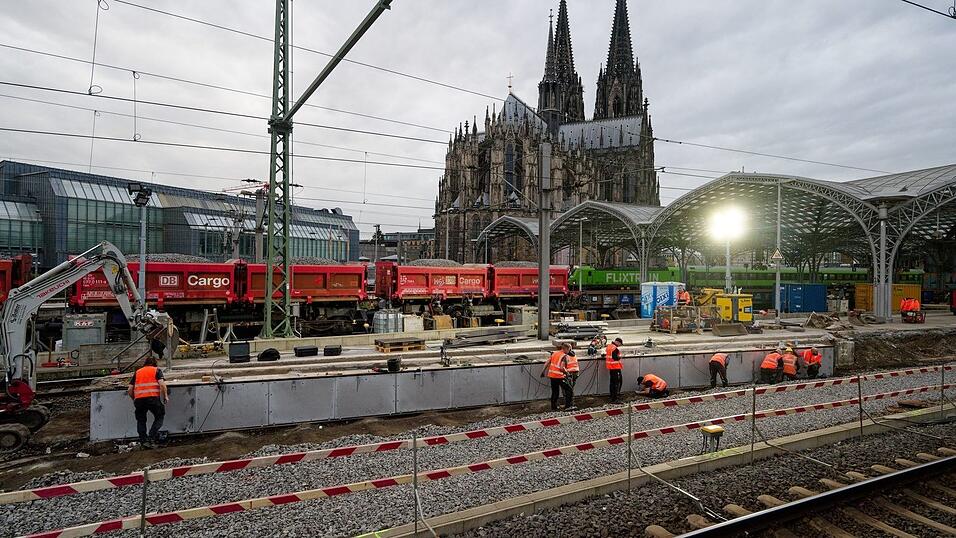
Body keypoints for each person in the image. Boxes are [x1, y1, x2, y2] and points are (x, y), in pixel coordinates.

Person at [127, 356, 169, 448]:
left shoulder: (138, 372)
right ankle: (151, 437)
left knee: (141, 420)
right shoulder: (156, 370)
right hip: (153, 398)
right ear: (155, 363)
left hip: (139, 400)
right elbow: (162, 385)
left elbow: (130, 389)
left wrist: (134, 398)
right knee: (159, 416)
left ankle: (143, 441)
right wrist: (165, 396)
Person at [540, 343, 572, 411]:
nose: (569, 351)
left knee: (555, 392)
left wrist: (543, 371)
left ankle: (554, 407)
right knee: (569, 390)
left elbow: (547, 362)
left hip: (552, 376)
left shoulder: (554, 353)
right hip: (559, 376)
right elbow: (561, 368)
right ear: (565, 349)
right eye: (569, 349)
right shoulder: (564, 356)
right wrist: (567, 373)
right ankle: (568, 406)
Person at [605, 337, 624, 403]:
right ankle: (615, 399)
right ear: (618, 342)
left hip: (611, 367)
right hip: (615, 368)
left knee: (612, 383)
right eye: (620, 344)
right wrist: (619, 357)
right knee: (617, 383)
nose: (619, 345)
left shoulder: (609, 347)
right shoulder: (615, 348)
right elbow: (615, 358)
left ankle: (612, 395)